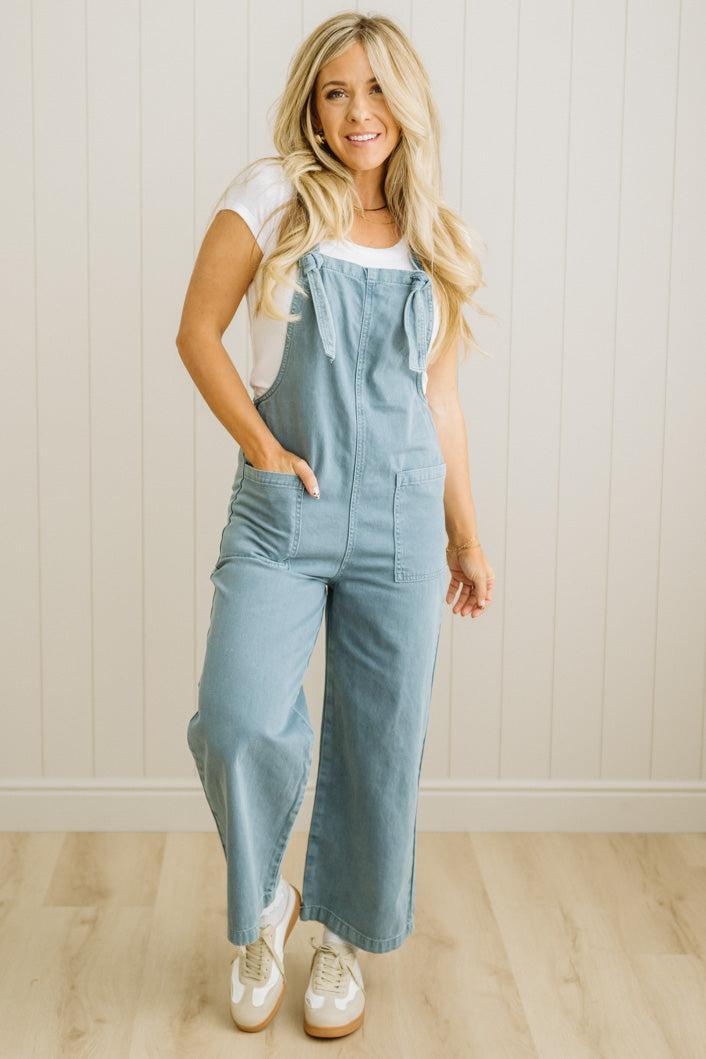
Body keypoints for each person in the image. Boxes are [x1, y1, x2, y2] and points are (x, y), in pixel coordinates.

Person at [176, 10, 495, 1041]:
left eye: (374, 91)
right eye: (334, 92)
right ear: (311, 105)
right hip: (285, 509)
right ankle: (267, 908)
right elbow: (197, 333)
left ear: (405, 102)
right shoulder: (272, 196)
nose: (357, 113)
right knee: (236, 718)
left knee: (380, 742)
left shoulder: (432, 236)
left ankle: (343, 941)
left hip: (402, 520)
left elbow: (439, 404)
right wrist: (264, 450)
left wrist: (466, 534)